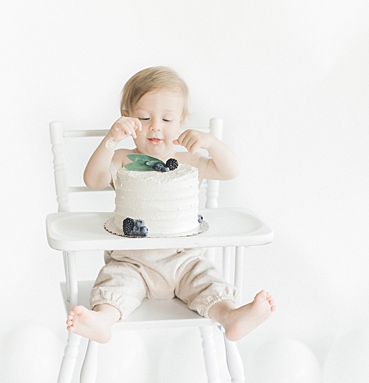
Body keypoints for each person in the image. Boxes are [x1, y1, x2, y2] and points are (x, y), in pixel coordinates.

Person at [66, 66, 274, 344]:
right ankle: (102, 320)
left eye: (166, 118)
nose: (155, 126)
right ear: (127, 118)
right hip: (132, 261)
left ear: (181, 122)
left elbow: (230, 170)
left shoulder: (189, 161)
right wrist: (111, 139)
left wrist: (210, 143)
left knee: (206, 280)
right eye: (143, 117)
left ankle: (230, 316)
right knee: (115, 284)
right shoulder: (122, 159)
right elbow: (92, 180)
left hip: (183, 259)